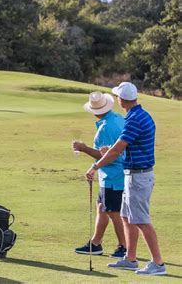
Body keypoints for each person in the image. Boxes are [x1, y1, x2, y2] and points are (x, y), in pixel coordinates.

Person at [86, 82, 166, 276]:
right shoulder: (138, 115)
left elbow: (116, 150)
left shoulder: (134, 119)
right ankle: (130, 259)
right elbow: (122, 145)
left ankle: (158, 264)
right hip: (134, 174)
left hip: (139, 176)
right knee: (125, 216)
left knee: (141, 220)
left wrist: (96, 166)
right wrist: (109, 151)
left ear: (122, 100)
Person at [72, 91, 126, 258]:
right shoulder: (117, 118)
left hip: (113, 177)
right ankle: (95, 243)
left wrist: (83, 148)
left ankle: (124, 247)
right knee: (102, 208)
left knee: (114, 212)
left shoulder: (105, 128)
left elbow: (107, 156)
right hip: (113, 175)